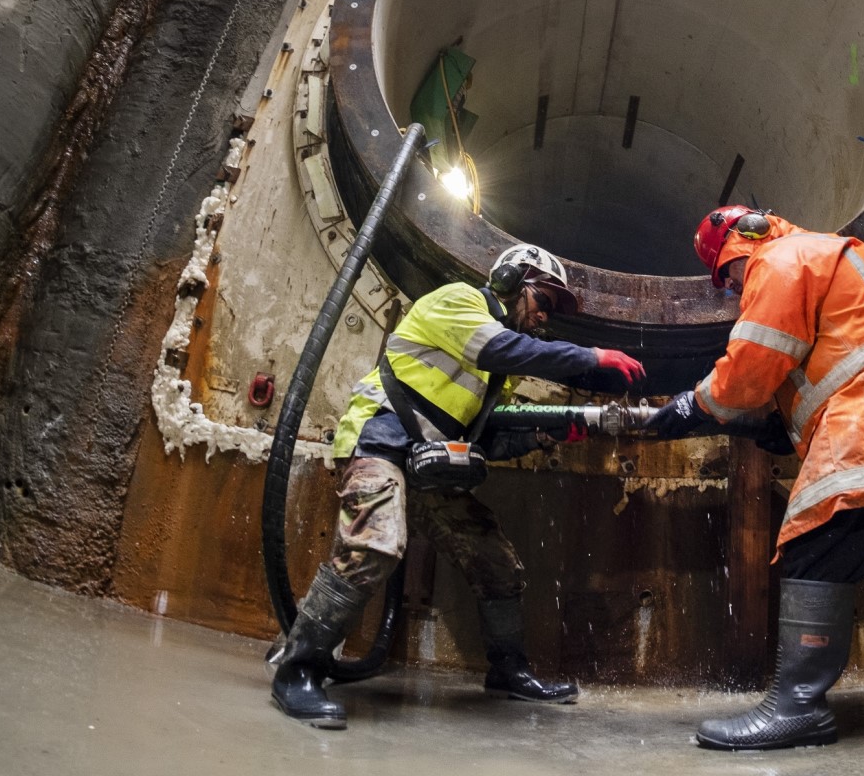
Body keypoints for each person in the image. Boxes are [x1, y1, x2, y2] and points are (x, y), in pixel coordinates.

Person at [647, 206, 864, 751]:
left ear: (734, 253)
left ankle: (797, 708)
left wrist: (692, 407)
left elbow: (752, 364)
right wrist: (781, 432)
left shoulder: (779, 259)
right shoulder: (819, 254)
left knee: (816, 544)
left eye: (726, 280)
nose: (732, 291)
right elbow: (825, 361)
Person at [271, 243, 646, 728]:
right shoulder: (458, 303)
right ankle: (296, 670)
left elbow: (484, 438)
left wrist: (547, 432)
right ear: (510, 279)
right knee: (376, 545)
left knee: (498, 564)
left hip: (427, 465)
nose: (543, 318)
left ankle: (508, 670)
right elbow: (500, 347)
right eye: (544, 302)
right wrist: (590, 357)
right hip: (378, 441)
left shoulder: (497, 375)